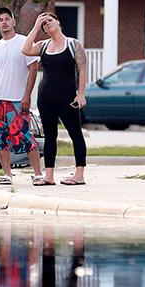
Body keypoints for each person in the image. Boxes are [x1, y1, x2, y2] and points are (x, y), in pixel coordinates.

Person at [23, 12, 88, 185]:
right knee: (50, 136)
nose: (47, 25)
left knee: (76, 134)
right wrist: (36, 26)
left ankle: (79, 175)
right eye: (44, 24)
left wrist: (80, 94)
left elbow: (82, 69)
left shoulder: (74, 44)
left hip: (68, 98)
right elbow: (26, 49)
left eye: (49, 21)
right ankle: (49, 176)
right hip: (46, 98)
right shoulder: (43, 45)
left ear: (58, 22)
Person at [0, 7, 44, 186]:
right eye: (1, 19)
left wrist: (27, 96)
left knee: (25, 137)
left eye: (7, 19)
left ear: (14, 22)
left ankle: (38, 174)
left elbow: (33, 69)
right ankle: (7, 174)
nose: (4, 22)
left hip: (17, 100)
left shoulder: (24, 43)